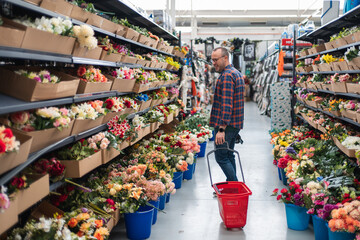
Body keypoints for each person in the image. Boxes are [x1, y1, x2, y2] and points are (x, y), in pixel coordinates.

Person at [209, 47, 245, 182]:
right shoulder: (236, 73)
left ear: (225, 58)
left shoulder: (227, 77)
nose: (213, 63)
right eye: (212, 60)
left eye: (216, 60)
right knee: (229, 155)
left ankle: (235, 185)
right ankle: (232, 185)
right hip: (235, 123)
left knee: (221, 157)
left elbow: (227, 104)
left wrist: (221, 129)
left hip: (227, 125)